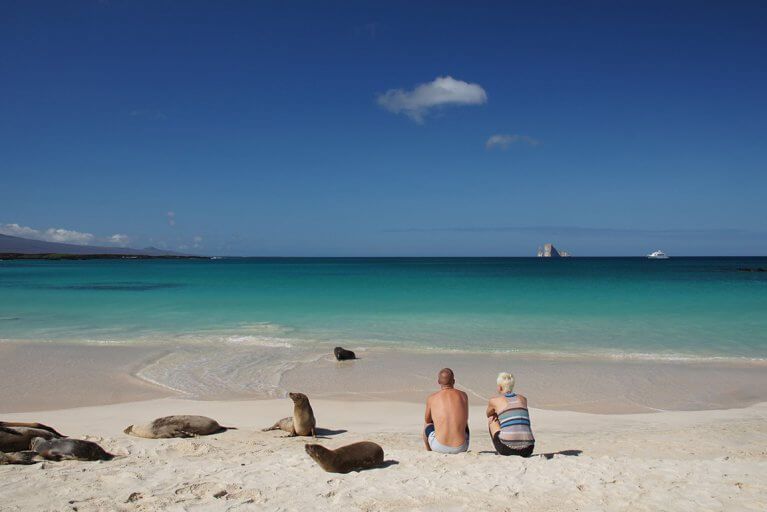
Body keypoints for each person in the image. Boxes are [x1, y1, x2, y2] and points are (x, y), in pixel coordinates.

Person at [486, 372, 535, 457]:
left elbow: (488, 413)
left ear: (500, 387)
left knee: (492, 419)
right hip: (528, 449)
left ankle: (503, 444)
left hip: (507, 449)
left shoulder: (494, 401)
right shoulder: (523, 399)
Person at [423, 368, 469, 454]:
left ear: (438, 381)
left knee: (427, 424)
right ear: (454, 381)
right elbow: (465, 418)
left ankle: (429, 451)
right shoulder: (463, 395)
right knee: (464, 423)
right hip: (461, 447)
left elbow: (427, 420)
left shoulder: (432, 398)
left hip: (439, 447)